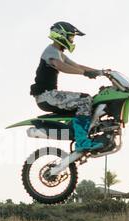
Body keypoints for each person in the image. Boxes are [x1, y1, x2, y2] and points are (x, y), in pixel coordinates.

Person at [30, 21, 106, 152]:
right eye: (71, 37)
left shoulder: (58, 53)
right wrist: (84, 73)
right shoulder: (51, 51)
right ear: (61, 35)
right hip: (46, 96)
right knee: (85, 99)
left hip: (49, 95)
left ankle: (87, 132)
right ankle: (82, 141)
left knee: (91, 101)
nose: (72, 40)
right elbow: (61, 66)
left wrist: (101, 72)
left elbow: (77, 66)